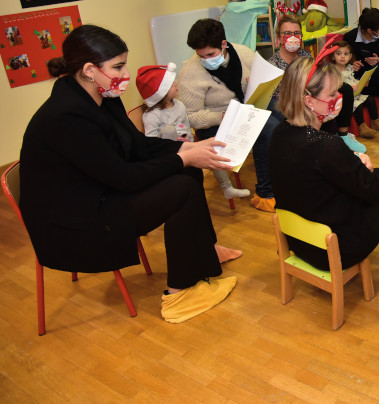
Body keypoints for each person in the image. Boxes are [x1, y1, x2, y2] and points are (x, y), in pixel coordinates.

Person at [19, 25, 237, 324]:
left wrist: (187, 149)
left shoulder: (101, 97)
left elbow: (136, 145)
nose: (125, 73)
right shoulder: (66, 116)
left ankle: (204, 254)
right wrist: (183, 158)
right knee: (182, 186)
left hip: (98, 193)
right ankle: (179, 293)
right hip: (76, 221)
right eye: (118, 66)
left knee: (188, 174)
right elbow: (123, 177)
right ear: (89, 70)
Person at [269, 45, 379, 296]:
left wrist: (351, 160)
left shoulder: (280, 134)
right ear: (309, 101)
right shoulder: (326, 146)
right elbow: (377, 191)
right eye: (332, 95)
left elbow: (313, 173)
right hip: (331, 249)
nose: (338, 99)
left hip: (299, 242)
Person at [177, 18, 279, 213]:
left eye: (211, 54)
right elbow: (190, 117)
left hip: (246, 108)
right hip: (216, 122)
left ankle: (289, 175)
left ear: (224, 44)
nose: (206, 60)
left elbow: (263, 82)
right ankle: (266, 194)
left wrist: (255, 84)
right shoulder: (190, 73)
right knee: (269, 131)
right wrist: (220, 117)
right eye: (201, 56)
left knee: (285, 117)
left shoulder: (244, 54)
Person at [136, 63, 251, 201]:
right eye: (171, 84)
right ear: (162, 91)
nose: (176, 84)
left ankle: (227, 188)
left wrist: (191, 144)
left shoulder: (180, 105)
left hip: (186, 145)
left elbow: (186, 126)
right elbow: (151, 141)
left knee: (210, 152)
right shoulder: (152, 115)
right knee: (169, 130)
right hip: (169, 153)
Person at [330, 40, 379, 139]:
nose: (342, 57)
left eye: (346, 54)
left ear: (350, 57)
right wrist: (350, 87)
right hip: (345, 99)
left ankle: (376, 121)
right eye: (338, 54)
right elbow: (336, 85)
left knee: (370, 99)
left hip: (355, 94)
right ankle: (362, 127)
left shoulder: (349, 68)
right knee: (359, 105)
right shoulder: (333, 70)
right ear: (333, 56)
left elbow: (352, 80)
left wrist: (361, 83)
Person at [266, 14, 312, 121]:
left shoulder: (306, 56)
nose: (293, 37)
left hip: (307, 100)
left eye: (296, 33)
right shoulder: (272, 64)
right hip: (286, 107)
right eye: (287, 33)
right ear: (279, 38)